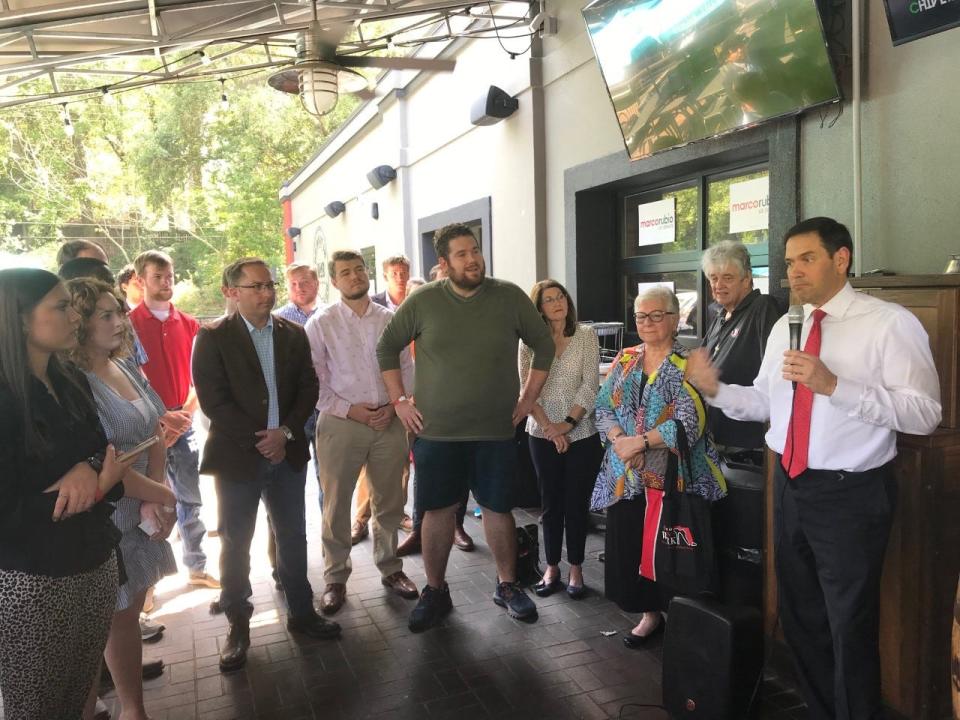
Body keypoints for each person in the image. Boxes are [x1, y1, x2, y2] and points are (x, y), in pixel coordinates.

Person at [686, 217, 941, 720]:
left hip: (850, 494)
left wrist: (834, 386)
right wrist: (715, 391)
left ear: (840, 259)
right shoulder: (787, 324)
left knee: (849, 623)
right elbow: (767, 400)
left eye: (806, 259)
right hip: (789, 484)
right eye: (787, 262)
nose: (792, 272)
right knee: (801, 617)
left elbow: (925, 414)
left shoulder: (888, 323)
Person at [378, 223, 555, 632]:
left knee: (497, 509)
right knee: (436, 512)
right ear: (444, 262)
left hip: (494, 431)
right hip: (437, 432)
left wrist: (529, 399)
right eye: (461, 254)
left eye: (475, 250)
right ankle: (436, 591)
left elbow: (543, 345)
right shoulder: (423, 300)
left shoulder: (508, 296)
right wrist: (399, 401)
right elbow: (387, 346)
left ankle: (508, 586)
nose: (473, 259)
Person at [192, 257, 340, 673]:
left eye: (269, 285)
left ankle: (302, 612)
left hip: (288, 453)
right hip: (239, 458)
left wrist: (286, 433)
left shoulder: (293, 334)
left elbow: (309, 386)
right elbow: (213, 401)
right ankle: (238, 624)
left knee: (293, 536)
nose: (266, 293)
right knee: (236, 543)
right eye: (256, 286)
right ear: (231, 292)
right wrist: (262, 439)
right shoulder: (213, 338)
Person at [0, 268, 136, 719]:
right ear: (19, 320)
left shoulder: (69, 379)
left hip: (92, 561)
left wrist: (91, 474)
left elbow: (104, 453)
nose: (75, 315)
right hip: (34, 580)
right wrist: (83, 487)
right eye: (61, 306)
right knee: (37, 706)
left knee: (80, 693)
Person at [66, 277, 180, 720]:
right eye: (105, 315)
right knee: (104, 624)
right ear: (77, 323)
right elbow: (104, 467)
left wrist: (155, 497)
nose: (119, 321)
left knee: (125, 617)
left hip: (137, 514)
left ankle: (132, 710)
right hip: (106, 518)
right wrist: (164, 494)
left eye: (119, 310)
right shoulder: (74, 384)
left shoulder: (123, 364)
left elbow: (156, 429)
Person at [591, 285, 726, 649]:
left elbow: (690, 422)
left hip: (674, 479)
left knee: (673, 550)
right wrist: (620, 439)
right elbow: (602, 407)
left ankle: (679, 615)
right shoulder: (625, 358)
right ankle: (649, 614)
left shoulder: (691, 362)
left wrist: (642, 442)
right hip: (627, 476)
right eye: (640, 316)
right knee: (631, 546)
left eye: (656, 315)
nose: (647, 323)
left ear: (673, 319)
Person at [305, 250, 419, 615]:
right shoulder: (320, 324)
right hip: (342, 423)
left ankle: (390, 569)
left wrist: (394, 404)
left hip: (388, 420)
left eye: (358, 270)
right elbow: (314, 381)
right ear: (334, 281)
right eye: (345, 273)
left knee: (389, 501)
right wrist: (350, 410)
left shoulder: (390, 319)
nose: (354, 276)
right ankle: (335, 577)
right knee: (337, 504)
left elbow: (406, 367)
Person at [129, 250, 219, 589]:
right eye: (158, 277)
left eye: (170, 277)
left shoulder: (189, 323)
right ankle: (149, 583)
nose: (166, 283)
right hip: (145, 430)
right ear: (141, 281)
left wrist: (183, 417)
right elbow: (129, 380)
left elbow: (200, 377)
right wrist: (160, 420)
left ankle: (196, 566)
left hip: (184, 423)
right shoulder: (128, 326)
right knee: (148, 506)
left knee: (190, 499)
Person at [520, 280, 602, 600]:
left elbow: (590, 384)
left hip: (580, 432)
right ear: (539, 307)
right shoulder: (528, 342)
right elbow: (527, 391)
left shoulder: (585, 336)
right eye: (549, 299)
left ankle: (577, 567)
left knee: (576, 504)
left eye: (561, 297)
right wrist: (550, 428)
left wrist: (566, 425)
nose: (558, 303)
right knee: (550, 503)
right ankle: (552, 565)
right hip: (541, 433)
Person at [700, 241, 783, 463]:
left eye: (727, 277)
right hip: (715, 442)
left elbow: (777, 376)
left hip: (746, 448)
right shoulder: (720, 315)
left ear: (746, 278)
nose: (718, 285)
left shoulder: (762, 308)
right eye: (713, 278)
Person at [354, 254, 415, 540]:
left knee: (401, 460)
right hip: (378, 397)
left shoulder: (417, 303)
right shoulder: (373, 307)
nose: (401, 277)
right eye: (395, 273)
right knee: (370, 463)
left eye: (404, 272)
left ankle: (398, 511)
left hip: (411, 395)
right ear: (385, 276)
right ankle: (361, 517)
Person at [271, 262, 324, 588]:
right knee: (284, 493)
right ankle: (283, 566)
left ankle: (328, 551)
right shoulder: (277, 321)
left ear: (317, 282)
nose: (300, 288)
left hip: (329, 412)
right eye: (294, 284)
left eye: (305, 282)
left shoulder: (331, 316)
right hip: (292, 418)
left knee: (329, 485)